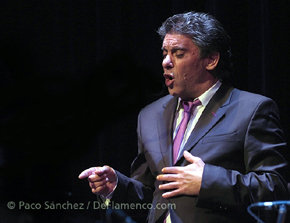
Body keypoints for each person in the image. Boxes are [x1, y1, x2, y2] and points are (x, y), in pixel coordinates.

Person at [79, 11, 289, 223]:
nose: (166, 62)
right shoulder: (150, 115)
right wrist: (116, 187)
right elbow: (153, 194)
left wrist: (207, 181)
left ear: (211, 60)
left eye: (178, 54)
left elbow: (275, 187)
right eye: (164, 53)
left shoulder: (252, 109)